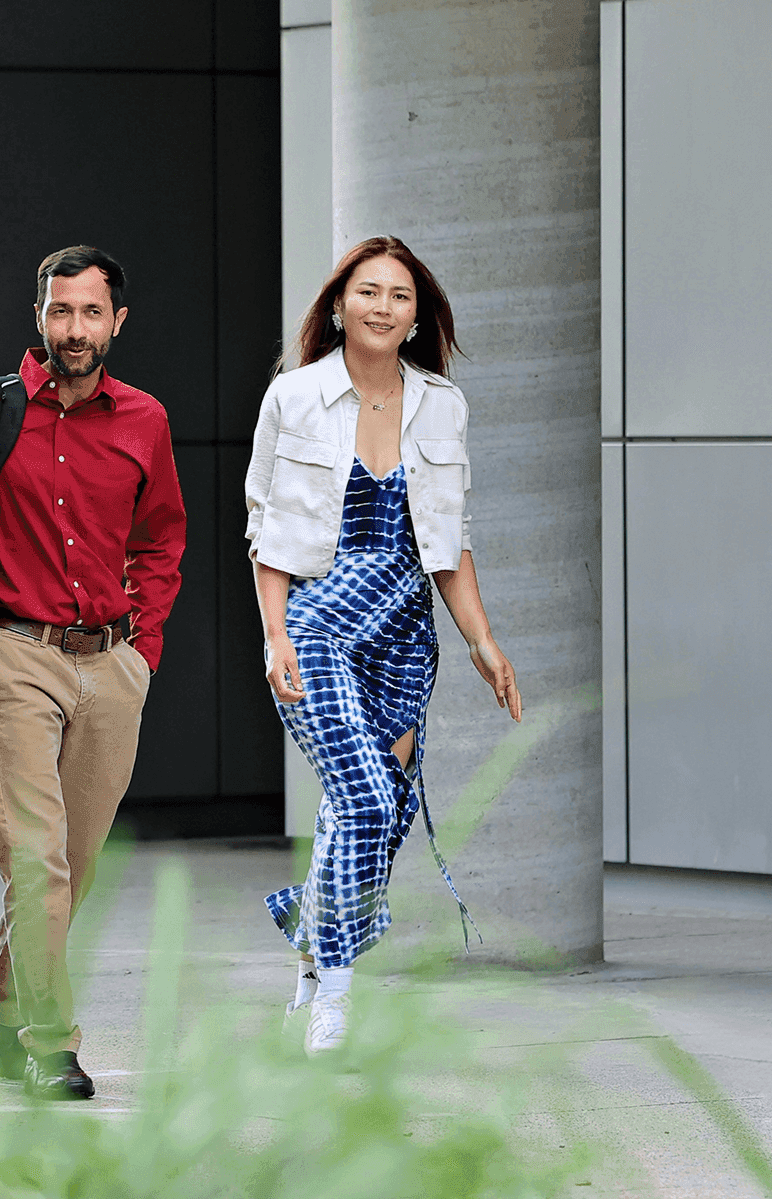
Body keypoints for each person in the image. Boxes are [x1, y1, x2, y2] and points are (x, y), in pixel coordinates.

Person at [244, 235, 523, 1057]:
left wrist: (482, 638)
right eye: (368, 291)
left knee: (374, 813)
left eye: (400, 296)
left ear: (416, 317)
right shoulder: (294, 397)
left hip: (404, 627)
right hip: (316, 620)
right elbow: (264, 529)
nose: (382, 307)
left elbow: (451, 538)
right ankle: (334, 992)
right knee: (365, 798)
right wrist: (273, 636)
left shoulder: (444, 404)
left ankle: (310, 942)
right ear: (339, 304)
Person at [0, 245, 187, 1100]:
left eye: (91, 314)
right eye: (60, 311)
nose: (74, 330)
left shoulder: (145, 421)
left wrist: (143, 653)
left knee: (74, 863)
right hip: (15, 656)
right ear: (38, 315)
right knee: (37, 860)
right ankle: (52, 1043)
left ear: (117, 322)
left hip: (111, 663)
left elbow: (162, 538)